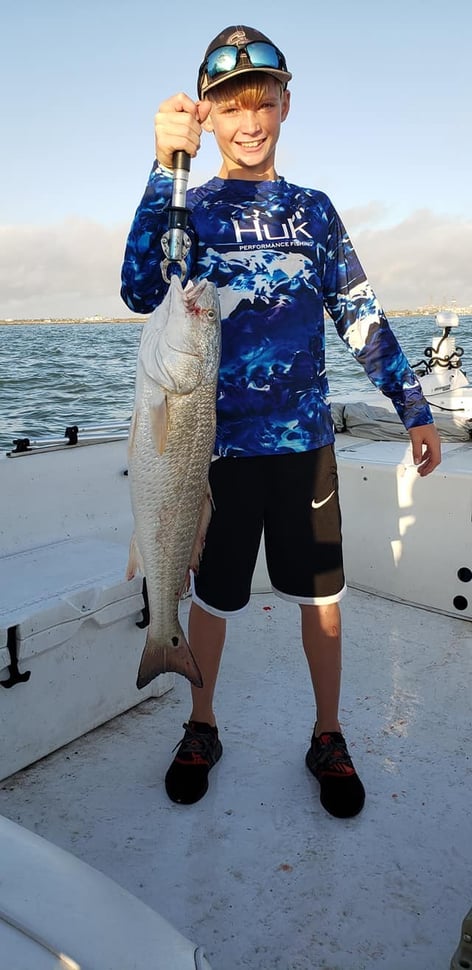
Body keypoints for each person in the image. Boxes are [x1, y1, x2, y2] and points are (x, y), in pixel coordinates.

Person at [121, 24, 441, 819]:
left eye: (263, 102)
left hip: (305, 448)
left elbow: (359, 314)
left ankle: (327, 734)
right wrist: (162, 172)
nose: (250, 120)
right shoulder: (191, 206)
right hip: (215, 450)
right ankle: (202, 722)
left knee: (320, 599)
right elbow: (138, 288)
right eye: (230, 107)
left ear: (287, 105)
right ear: (208, 115)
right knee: (213, 598)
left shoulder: (313, 211)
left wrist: (413, 405)